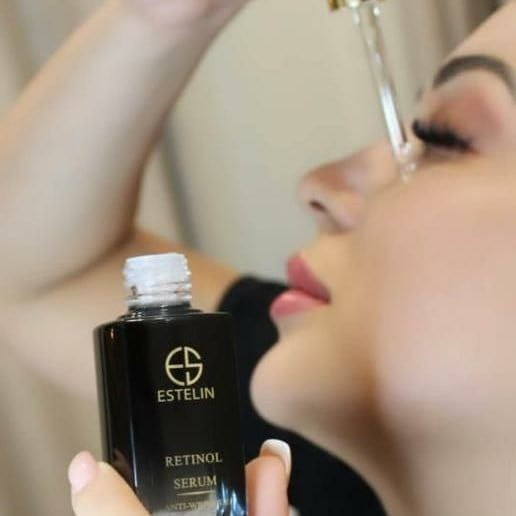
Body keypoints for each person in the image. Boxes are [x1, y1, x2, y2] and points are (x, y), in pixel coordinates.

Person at [3, 2, 516, 516]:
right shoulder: (343, 422)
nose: (317, 184)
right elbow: (36, 274)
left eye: (443, 136)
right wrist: (165, 16)